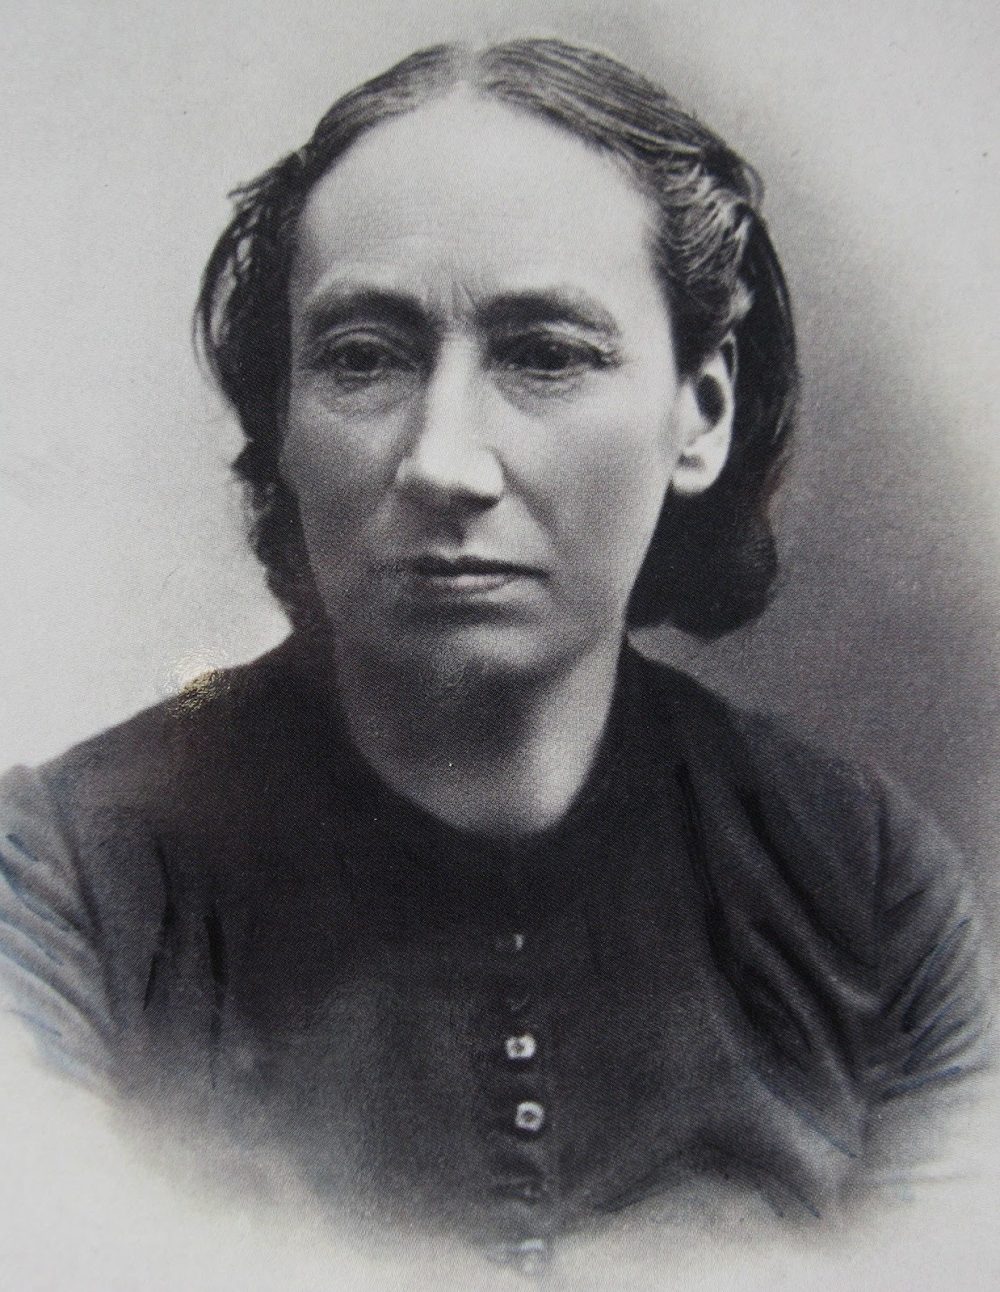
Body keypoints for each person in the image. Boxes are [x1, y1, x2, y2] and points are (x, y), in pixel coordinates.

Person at [0, 37, 987, 1264]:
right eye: (362, 357)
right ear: (284, 415)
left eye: (546, 353)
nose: (443, 462)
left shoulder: (866, 888)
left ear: (702, 411)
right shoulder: (68, 887)